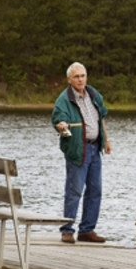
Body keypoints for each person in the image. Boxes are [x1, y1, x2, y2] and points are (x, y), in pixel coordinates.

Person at [52, 62, 112, 244]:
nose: (80, 79)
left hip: (95, 148)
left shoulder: (93, 94)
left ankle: (87, 230)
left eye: (83, 76)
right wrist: (61, 125)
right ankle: (67, 230)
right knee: (74, 190)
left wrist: (107, 140)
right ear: (69, 79)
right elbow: (58, 119)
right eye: (76, 76)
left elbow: (100, 118)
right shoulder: (64, 99)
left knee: (95, 190)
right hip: (78, 149)